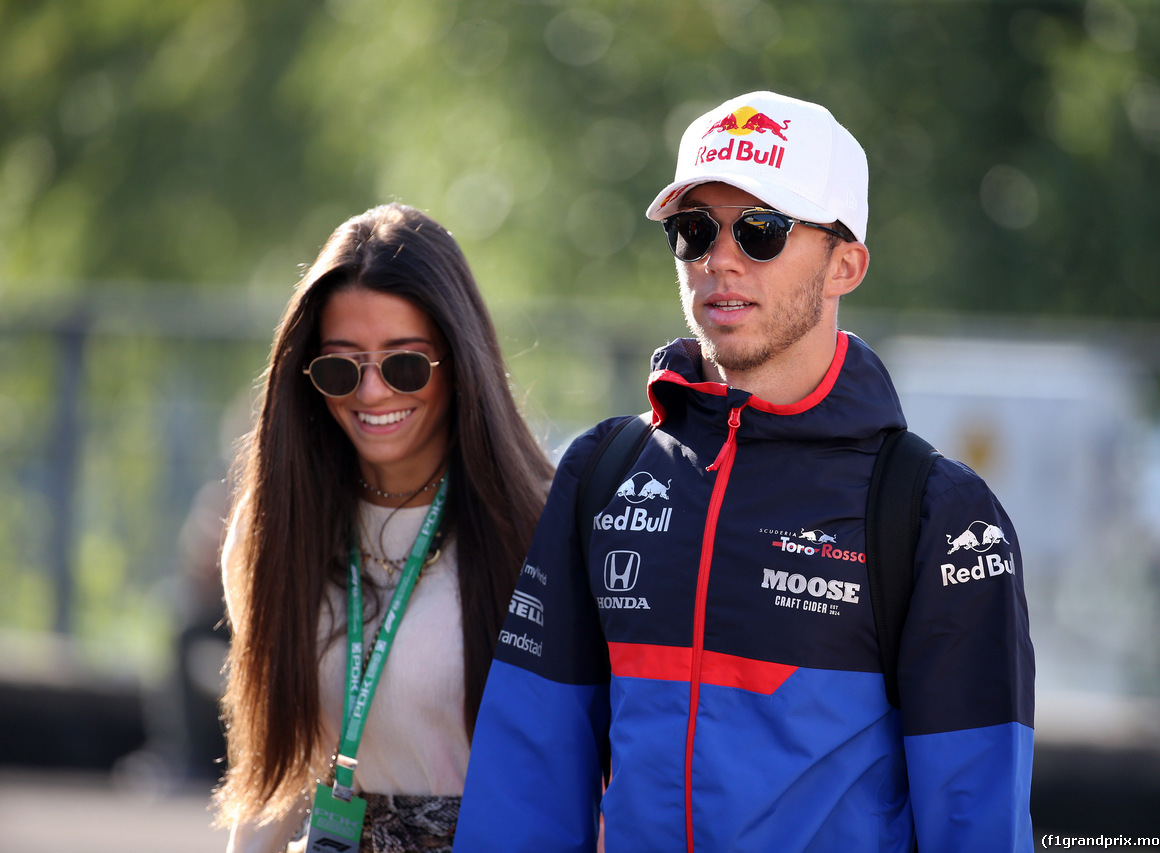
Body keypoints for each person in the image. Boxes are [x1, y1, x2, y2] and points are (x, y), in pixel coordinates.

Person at [454, 92, 1035, 852]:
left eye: (761, 230)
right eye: (694, 231)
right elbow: (524, 786)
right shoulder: (603, 471)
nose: (719, 258)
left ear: (845, 264)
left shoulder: (941, 514)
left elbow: (979, 823)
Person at [214, 203, 553, 852]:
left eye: (403, 364)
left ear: (459, 361)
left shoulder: (541, 524)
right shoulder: (273, 531)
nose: (371, 394)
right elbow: (276, 777)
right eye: (341, 367)